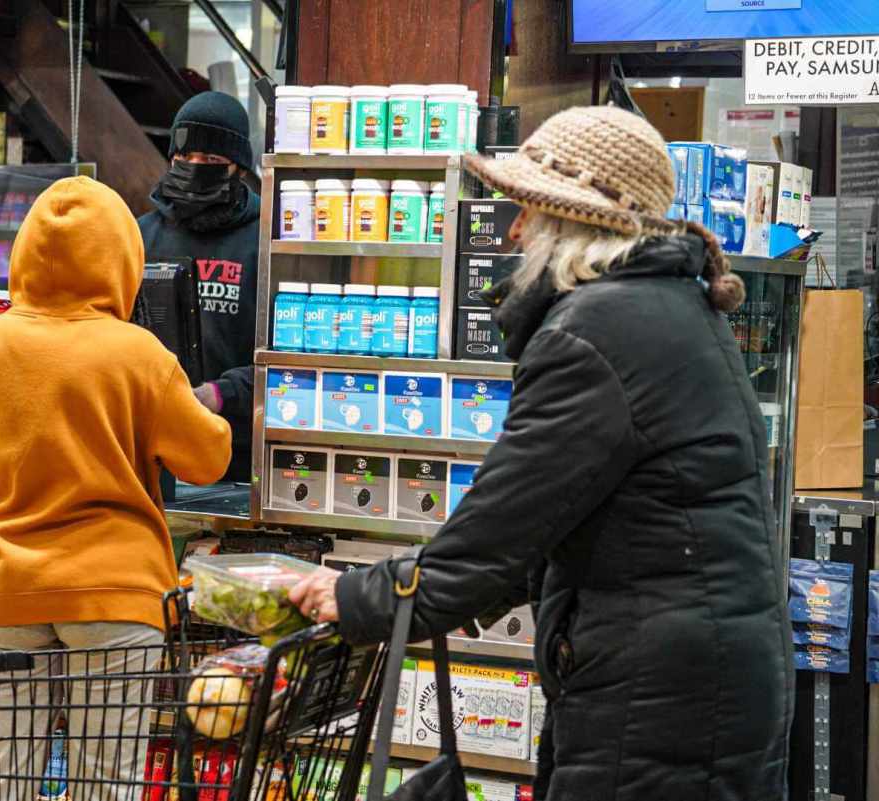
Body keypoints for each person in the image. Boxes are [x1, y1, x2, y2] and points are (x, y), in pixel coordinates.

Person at [291, 106, 793, 801]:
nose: (515, 230)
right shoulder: (673, 307)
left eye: (527, 209)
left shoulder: (595, 331)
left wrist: (356, 595)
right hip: (705, 680)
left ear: (574, 222)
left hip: (657, 701)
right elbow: (576, 512)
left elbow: (502, 525)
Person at [0, 176, 232, 800]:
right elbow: (207, 460)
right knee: (106, 784)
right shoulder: (140, 354)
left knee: (0, 781)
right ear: (121, 260)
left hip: (6, 588)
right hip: (114, 596)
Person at [137, 91, 260, 483]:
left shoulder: (268, 240)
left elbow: (287, 359)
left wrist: (220, 394)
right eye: (183, 158)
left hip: (237, 455)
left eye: (210, 161)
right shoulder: (139, 236)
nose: (193, 168)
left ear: (239, 167)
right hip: (149, 450)